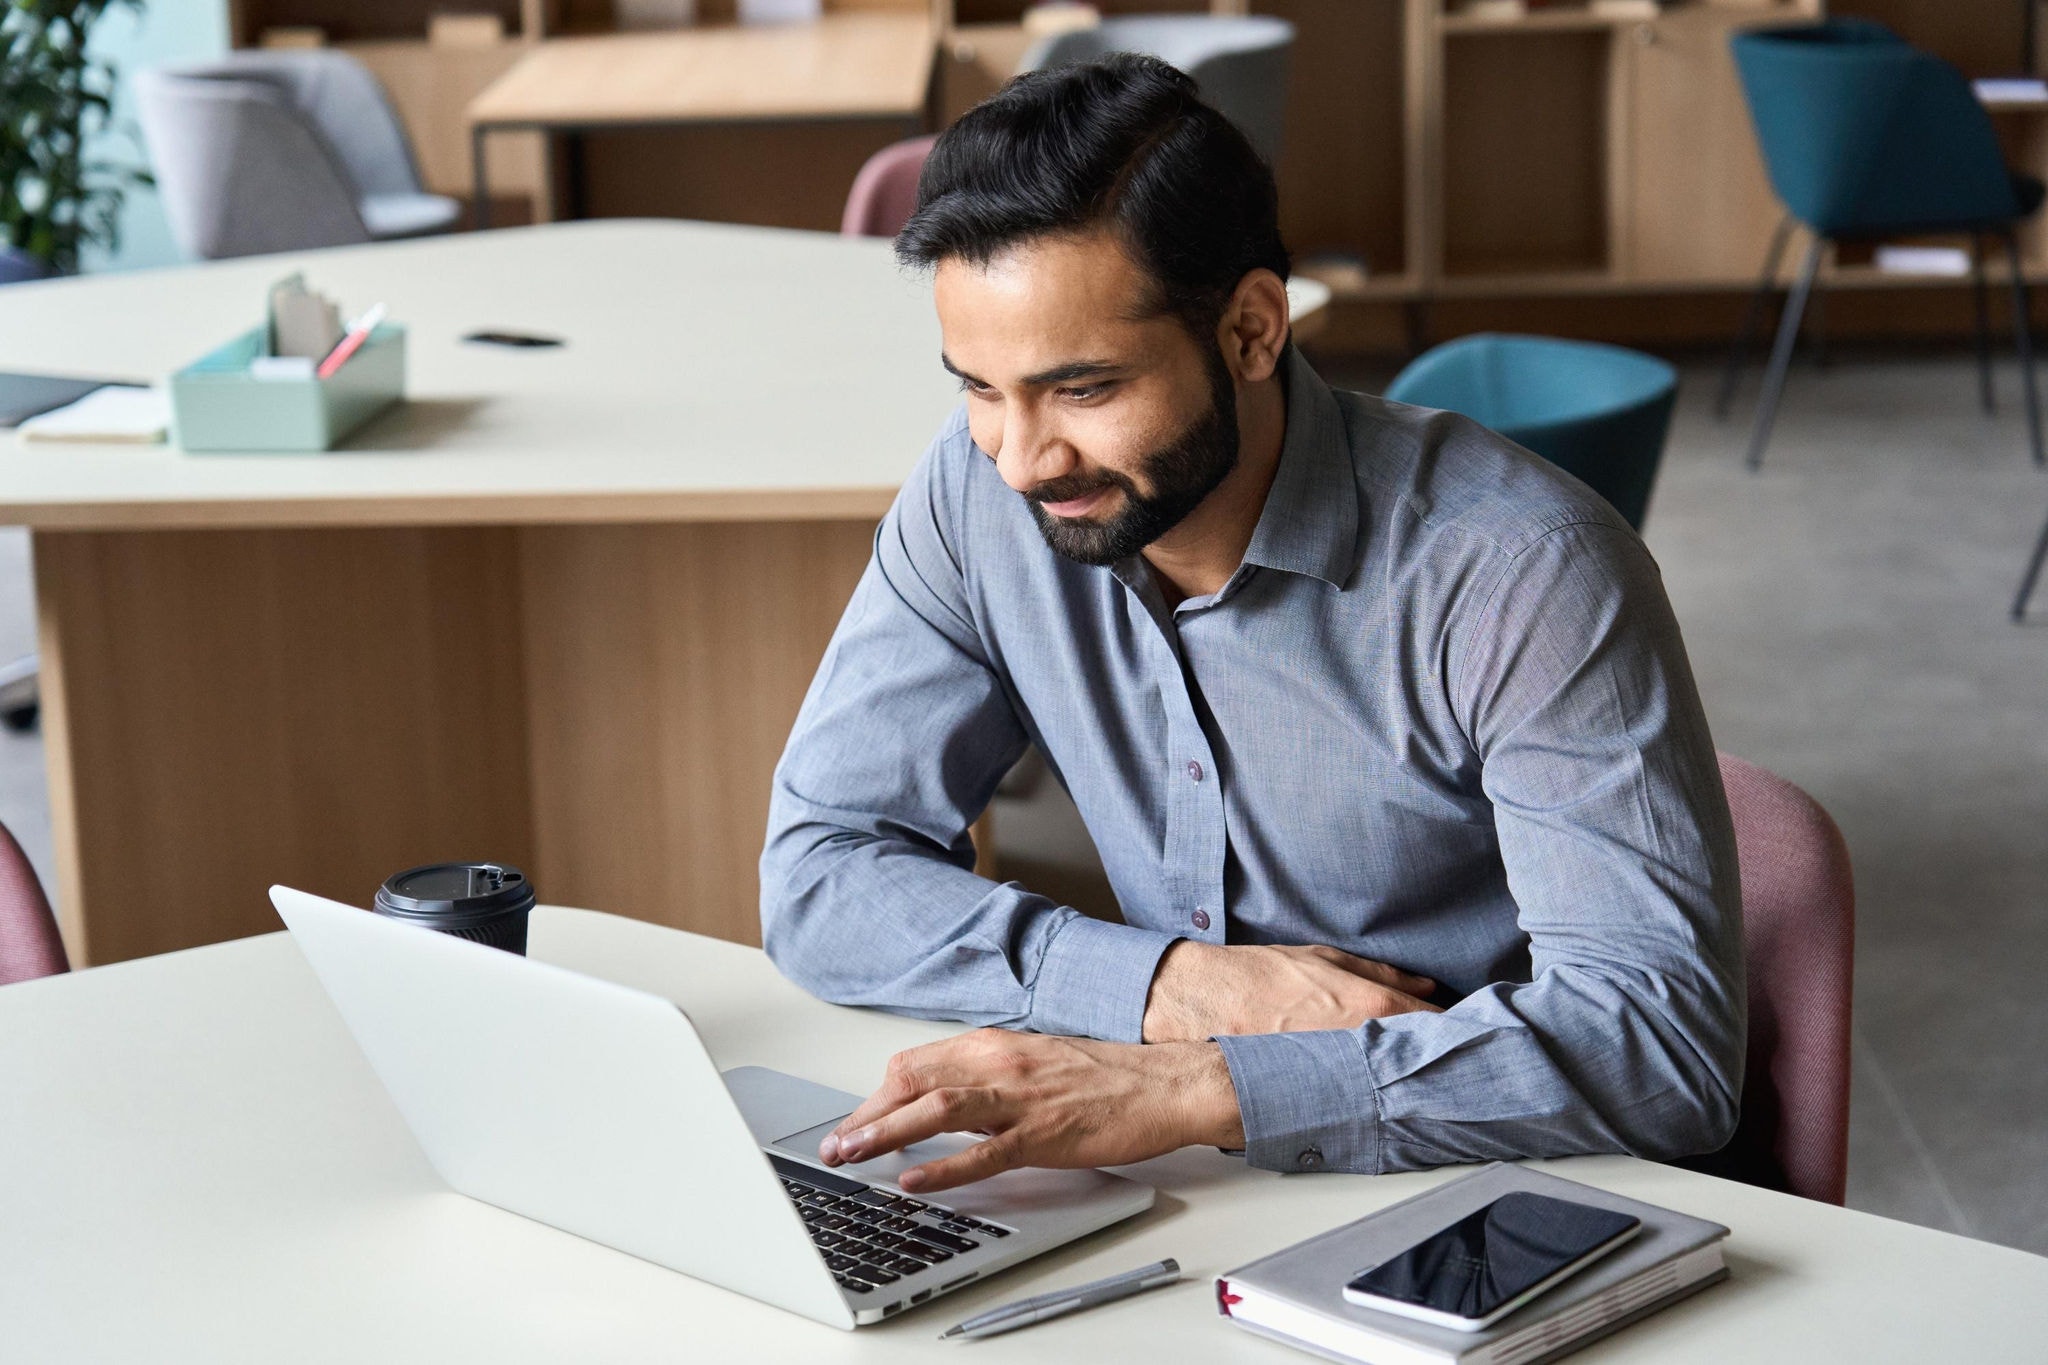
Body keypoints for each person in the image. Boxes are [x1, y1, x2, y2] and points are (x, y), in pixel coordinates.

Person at [760, 54, 1743, 1195]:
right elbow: (820, 872)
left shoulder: (1522, 570)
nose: (1022, 461)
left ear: (1250, 330)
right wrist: (1170, 989)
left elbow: (1659, 1049)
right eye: (979, 388)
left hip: (1497, 1190)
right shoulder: (972, 491)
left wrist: (1194, 1086)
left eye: (1082, 389)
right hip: (1196, 1189)